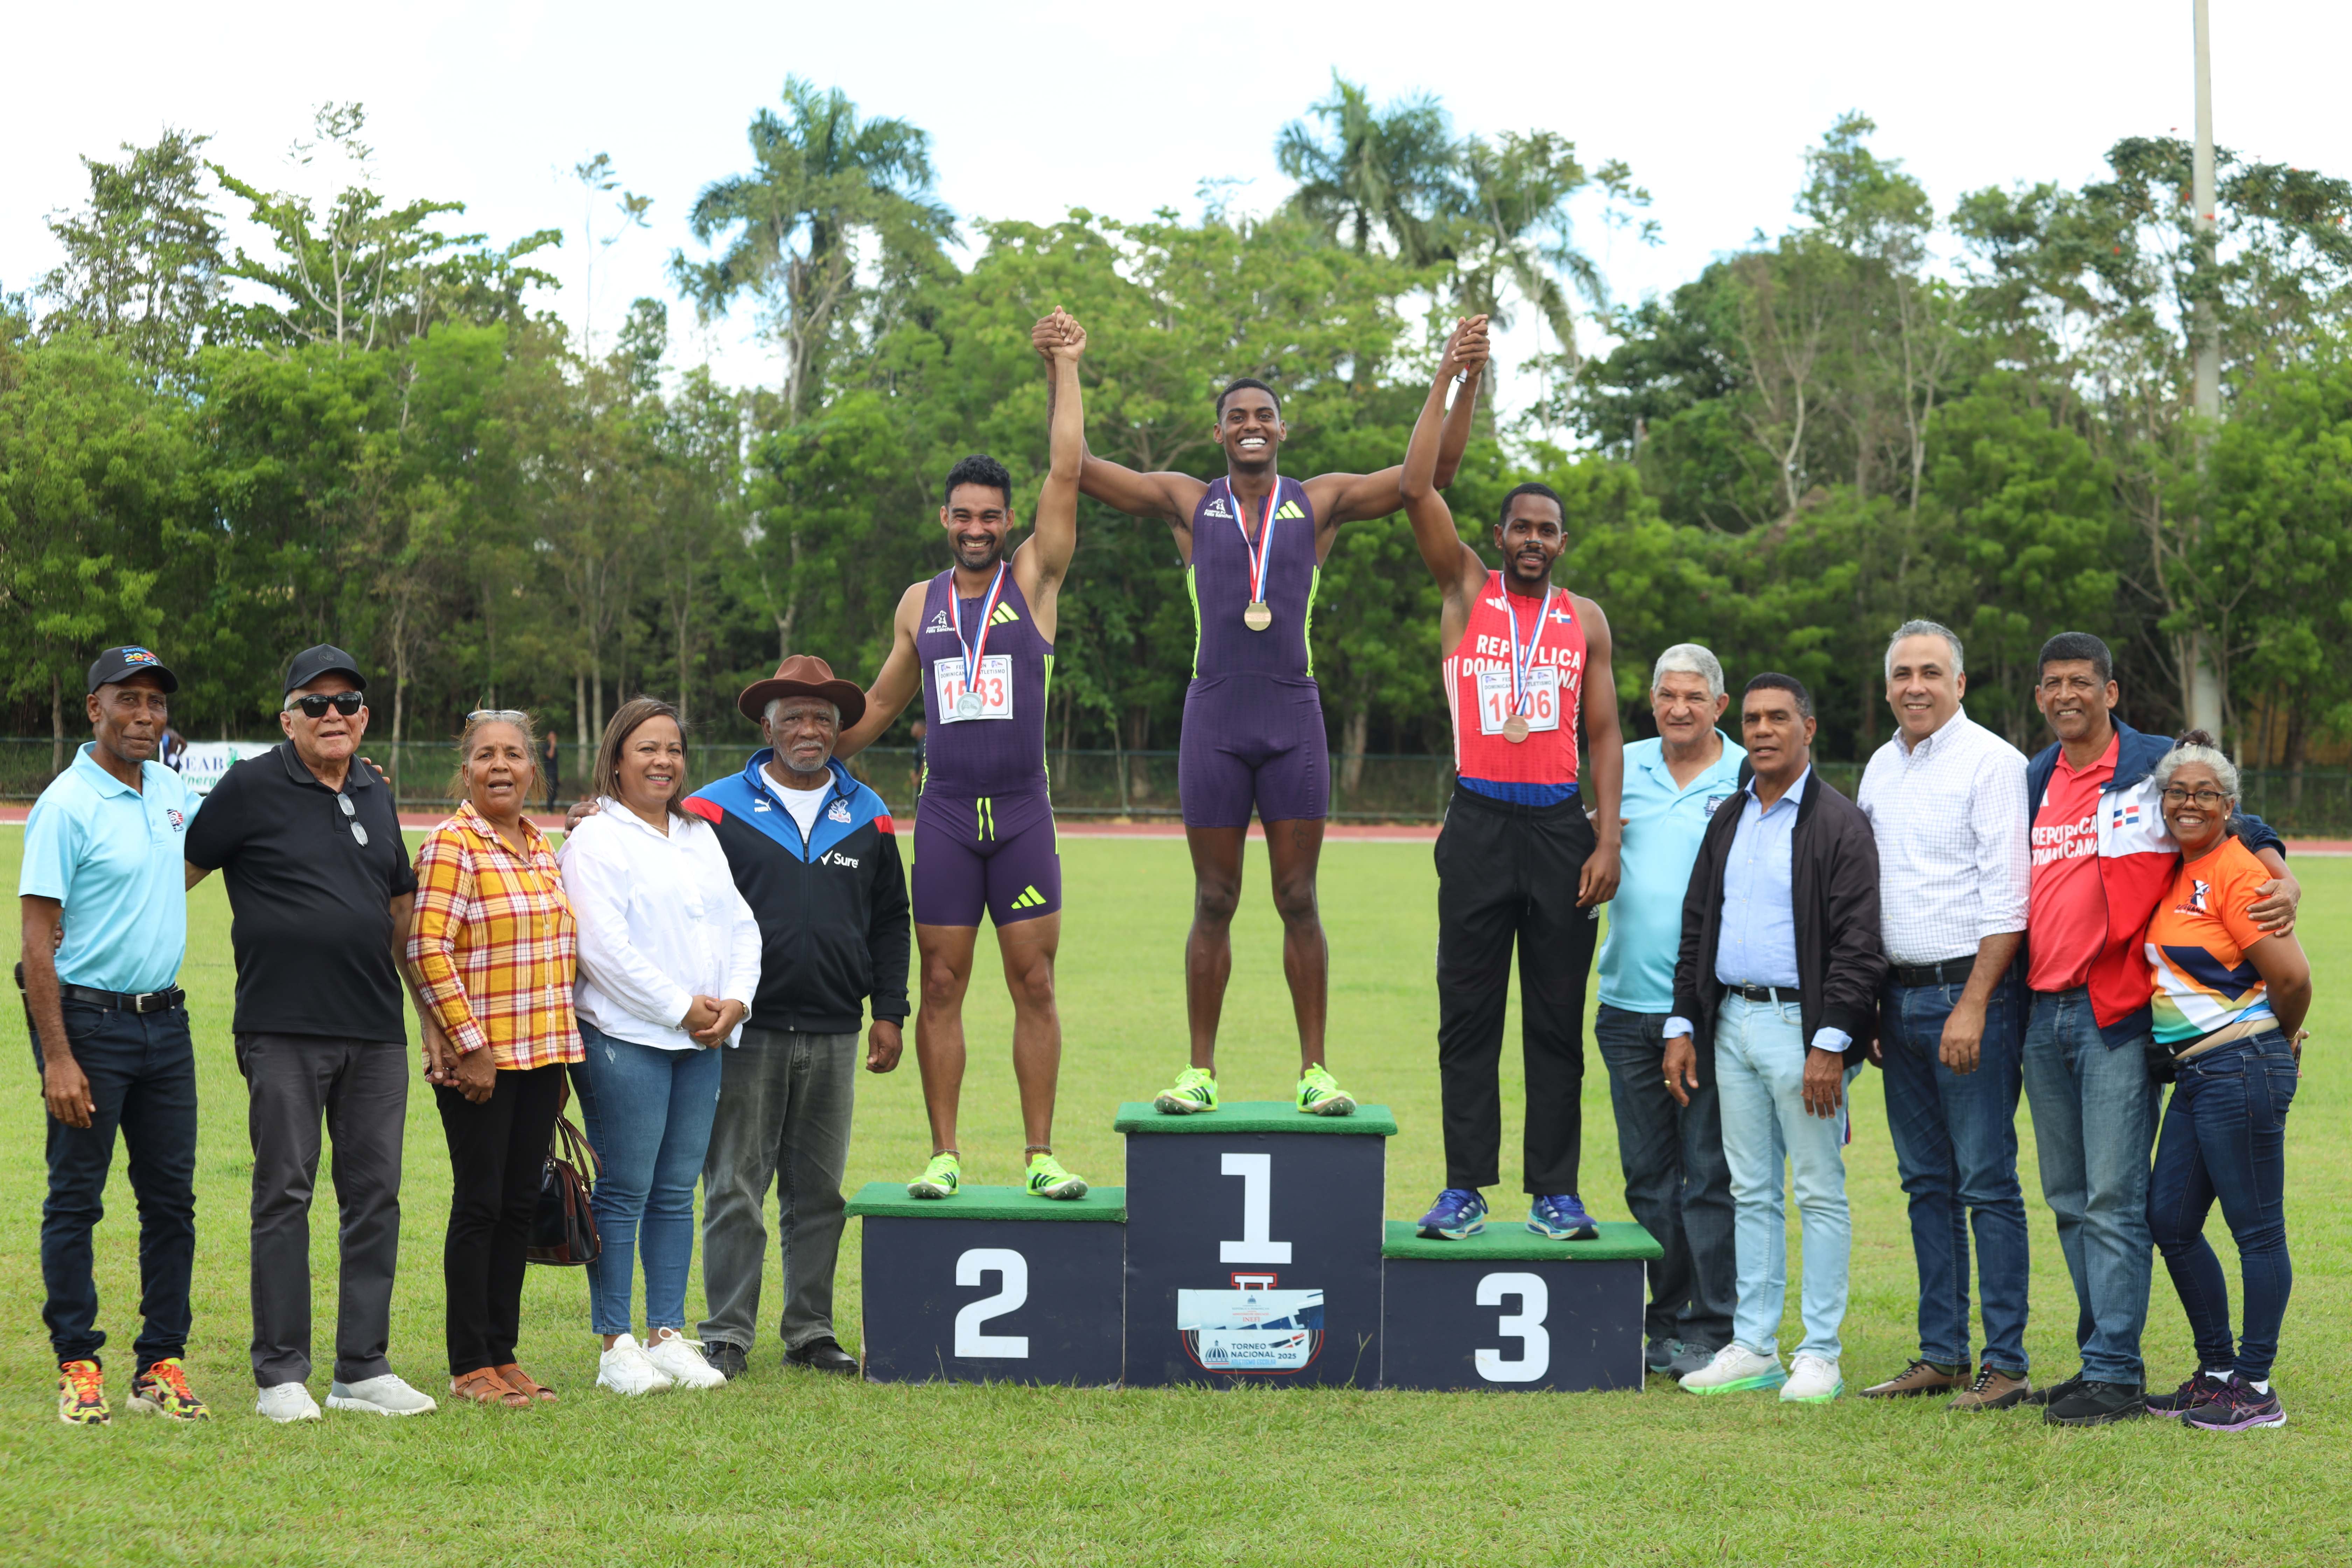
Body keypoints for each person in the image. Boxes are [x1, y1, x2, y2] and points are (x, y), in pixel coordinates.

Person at [1062, 313, 1485, 1116]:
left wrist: (1455, 376)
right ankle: (1199, 1071)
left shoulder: (1317, 503)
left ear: (1282, 430)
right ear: (1219, 432)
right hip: (1214, 721)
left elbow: (1433, 473)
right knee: (1213, 899)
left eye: (1264, 415)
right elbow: (1076, 467)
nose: (1251, 426)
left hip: (1294, 721)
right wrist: (1065, 365)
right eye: (1238, 416)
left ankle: (1315, 1070)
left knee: (1298, 896)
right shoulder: (1189, 503)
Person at [830, 308, 1087, 1202]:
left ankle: (1040, 1154)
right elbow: (879, 705)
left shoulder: (1034, 580)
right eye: (964, 515)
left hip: (1021, 815)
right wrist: (803, 758)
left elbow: (1067, 469)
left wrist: (1064, 365)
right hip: (943, 817)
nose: (977, 527)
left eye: (991, 516)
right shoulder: (920, 602)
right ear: (945, 518)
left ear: (1009, 520)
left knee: (1035, 982)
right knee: (939, 982)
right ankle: (944, 1154)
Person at [2019, 632, 2298, 1426]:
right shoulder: (2034, 776)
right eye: (2053, 683)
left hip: (2114, 1014)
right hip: (2043, 1011)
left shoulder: (2149, 763)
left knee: (2115, 1196)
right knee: (2072, 1199)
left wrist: (2281, 869)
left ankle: (2118, 1373)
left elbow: (2224, 808)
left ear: (2110, 692)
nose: (2066, 695)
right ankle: (2100, 1358)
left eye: (2082, 681)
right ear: (2039, 697)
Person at [1394, 332, 1624, 1244]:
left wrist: (1607, 839)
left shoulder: (1585, 619)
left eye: (1547, 529)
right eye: (1520, 527)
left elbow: (1604, 734)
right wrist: (1453, 377)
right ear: (1499, 537)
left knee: (1557, 1022)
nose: (1533, 539)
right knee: (1470, 1015)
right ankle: (1463, 1188)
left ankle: (1555, 1191)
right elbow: (1417, 486)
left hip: (1562, 830)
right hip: (1480, 823)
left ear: (1563, 542)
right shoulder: (1466, 589)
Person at [181, 644, 440, 1422]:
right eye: (315, 703)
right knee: (284, 1195)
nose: (333, 714)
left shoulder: (373, 789)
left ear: (365, 715)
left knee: (376, 1198)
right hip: (283, 1027)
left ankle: (362, 1368)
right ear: (287, 717)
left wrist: (425, 1015)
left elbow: (400, 909)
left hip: (375, 1031)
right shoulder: (249, 785)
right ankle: (281, 1375)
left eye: (347, 702)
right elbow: (175, 876)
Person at [684, 657, 910, 1379]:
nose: (809, 729)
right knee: (735, 1186)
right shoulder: (712, 809)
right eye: (794, 717)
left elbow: (890, 920)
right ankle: (727, 1334)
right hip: (745, 1030)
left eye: (822, 717)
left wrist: (890, 1011)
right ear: (768, 726)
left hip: (838, 1030)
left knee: (819, 1193)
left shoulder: (868, 811)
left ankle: (811, 1331)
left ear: (838, 729)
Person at [1666, 673, 1884, 1405]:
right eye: (1754, 719)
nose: (1762, 730)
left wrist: (1832, 1042)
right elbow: (1698, 926)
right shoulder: (1730, 816)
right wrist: (1684, 1023)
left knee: (1818, 1189)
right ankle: (1754, 1345)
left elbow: (1859, 943)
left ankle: (1819, 1353)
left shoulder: (1839, 823)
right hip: (1732, 1023)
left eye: (1778, 718)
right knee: (1750, 1189)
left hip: (1804, 1030)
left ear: (1808, 729)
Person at [19, 647, 208, 1426]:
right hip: (88, 1027)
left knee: (171, 1204)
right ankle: (78, 1362)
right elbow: (36, 943)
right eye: (128, 700)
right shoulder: (66, 804)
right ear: (95, 707)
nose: (144, 715)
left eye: (156, 703)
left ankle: (160, 1363)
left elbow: (205, 852)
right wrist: (58, 1058)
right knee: (77, 1200)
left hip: (167, 1025)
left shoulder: (169, 789)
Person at [1851, 622, 2034, 1410]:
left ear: (1960, 683)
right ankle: (1943, 1354)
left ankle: (2007, 1363)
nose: (1915, 685)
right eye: (1903, 673)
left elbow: (2010, 897)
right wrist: (1871, 1002)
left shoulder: (1993, 762)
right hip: (1897, 999)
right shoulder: (1881, 765)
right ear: (1888, 685)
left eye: (1931, 672)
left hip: (1970, 997)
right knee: (1926, 1182)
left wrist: (1974, 1003)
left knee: (1986, 1181)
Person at [560, 696, 758, 1395]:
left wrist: (736, 1000)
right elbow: (601, 948)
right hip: (627, 1036)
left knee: (675, 1191)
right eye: (647, 748)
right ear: (616, 758)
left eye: (673, 749)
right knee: (624, 1189)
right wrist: (681, 1007)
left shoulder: (698, 834)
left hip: (702, 1038)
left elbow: (741, 923)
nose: (663, 761)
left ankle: (667, 1334)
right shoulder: (594, 840)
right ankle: (615, 1343)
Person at [405, 710, 583, 1409]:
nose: (500, 766)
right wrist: (471, 1046)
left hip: (542, 1056)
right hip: (481, 1063)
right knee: (480, 1204)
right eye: (486, 755)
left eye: (513, 754)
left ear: (533, 768)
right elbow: (427, 947)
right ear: (467, 770)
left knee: (517, 1206)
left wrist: (558, 1061)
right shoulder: (453, 843)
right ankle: (468, 1362)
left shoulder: (541, 845)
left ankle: (503, 1353)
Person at [2135, 732, 2310, 1433]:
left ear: (2229, 806)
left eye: (2205, 794)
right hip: (2197, 1074)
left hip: (2241, 1066)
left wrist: (2278, 1036)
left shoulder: (2238, 869)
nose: (2189, 803)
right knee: (2170, 1220)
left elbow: (2293, 976)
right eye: (2178, 792)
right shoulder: (2179, 870)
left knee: (2256, 1230)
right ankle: (2215, 1371)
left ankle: (2257, 1388)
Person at [1594, 644, 1744, 1379]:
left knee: (1709, 1175)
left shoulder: (1746, 772)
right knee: (1648, 1178)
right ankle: (1664, 1318)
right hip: (1625, 1007)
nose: (1679, 708)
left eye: (1694, 696)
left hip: (1713, 1013)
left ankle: (1714, 1326)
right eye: (1667, 695)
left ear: (1720, 705)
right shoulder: (1620, 764)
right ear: (1652, 700)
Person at [541, 727, 562, 814]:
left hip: (555, 773)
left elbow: (556, 762)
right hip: (549, 773)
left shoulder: (556, 749)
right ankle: (549, 810)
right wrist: (553, 745)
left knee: (555, 792)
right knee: (550, 791)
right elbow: (550, 755)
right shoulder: (546, 747)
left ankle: (552, 809)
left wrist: (558, 776)